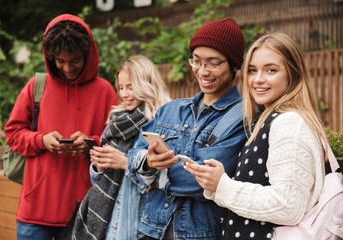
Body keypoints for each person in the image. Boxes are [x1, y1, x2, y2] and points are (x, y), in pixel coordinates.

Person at [184, 32, 327, 239]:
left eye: (271, 70)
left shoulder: (289, 123)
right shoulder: (269, 119)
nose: (258, 79)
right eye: (252, 70)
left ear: (293, 74)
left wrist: (223, 185)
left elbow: (287, 206)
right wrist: (217, 183)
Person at [127, 18, 248, 239]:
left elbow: (200, 182)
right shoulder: (170, 110)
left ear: (234, 65)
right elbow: (133, 155)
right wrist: (147, 161)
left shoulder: (242, 118)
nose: (203, 71)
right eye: (197, 61)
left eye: (213, 63)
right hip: (150, 231)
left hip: (201, 234)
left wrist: (151, 173)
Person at [4, 14, 119, 240]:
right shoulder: (36, 85)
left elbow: (117, 143)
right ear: (50, 57)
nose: (67, 68)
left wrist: (91, 143)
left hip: (83, 209)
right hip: (35, 210)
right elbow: (13, 133)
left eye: (75, 60)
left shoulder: (105, 91)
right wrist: (41, 140)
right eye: (60, 61)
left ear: (88, 53)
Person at [70, 55, 171, 239]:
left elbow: (162, 183)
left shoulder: (161, 123)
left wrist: (125, 163)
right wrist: (98, 167)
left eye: (130, 87)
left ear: (146, 84)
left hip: (132, 218)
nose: (124, 94)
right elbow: (98, 180)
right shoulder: (116, 119)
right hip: (104, 218)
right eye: (121, 88)